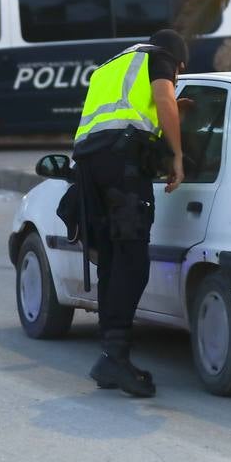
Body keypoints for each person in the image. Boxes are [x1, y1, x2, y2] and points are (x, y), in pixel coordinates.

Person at [73, 28, 189, 397]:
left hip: (90, 166)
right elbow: (163, 97)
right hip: (121, 165)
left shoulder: (112, 66)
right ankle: (115, 357)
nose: (177, 76)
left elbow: (128, 112)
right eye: (179, 72)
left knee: (112, 259)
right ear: (177, 59)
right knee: (134, 260)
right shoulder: (160, 56)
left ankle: (111, 356)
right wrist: (178, 155)